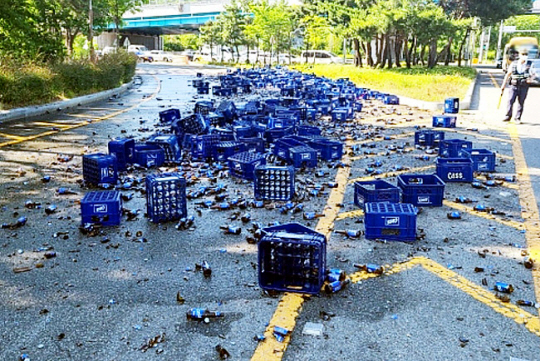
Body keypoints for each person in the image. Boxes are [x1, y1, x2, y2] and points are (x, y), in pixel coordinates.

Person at [501, 50, 532, 124]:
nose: (525, 56)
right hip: (514, 85)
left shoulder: (529, 64)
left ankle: (517, 118)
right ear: (520, 55)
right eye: (523, 54)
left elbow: (533, 74)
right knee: (510, 100)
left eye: (526, 54)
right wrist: (503, 85)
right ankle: (508, 116)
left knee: (521, 102)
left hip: (524, 86)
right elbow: (508, 74)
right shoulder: (514, 64)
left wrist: (530, 79)